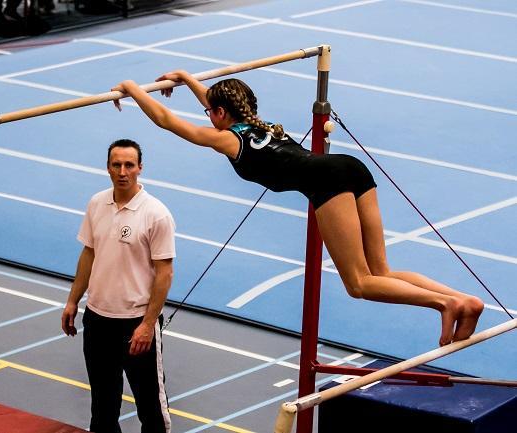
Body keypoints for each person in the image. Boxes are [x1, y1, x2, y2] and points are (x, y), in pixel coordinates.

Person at [111, 72, 484, 347]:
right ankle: (465, 300)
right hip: (350, 168)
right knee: (382, 269)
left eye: (209, 111)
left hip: (326, 181)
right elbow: (218, 100)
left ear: (221, 113)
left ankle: (445, 303)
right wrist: (186, 78)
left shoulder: (226, 138)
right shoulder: (263, 125)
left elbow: (165, 120)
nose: (207, 116)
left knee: (359, 283)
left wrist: (131, 88)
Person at [61, 139, 175, 433]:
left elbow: (165, 274)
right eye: (116, 165)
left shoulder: (156, 214)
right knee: (102, 406)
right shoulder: (97, 203)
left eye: (129, 165)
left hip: (136, 324)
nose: (123, 171)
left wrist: (148, 324)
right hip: (98, 320)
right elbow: (89, 253)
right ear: (107, 168)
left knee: (150, 408)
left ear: (140, 168)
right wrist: (73, 301)